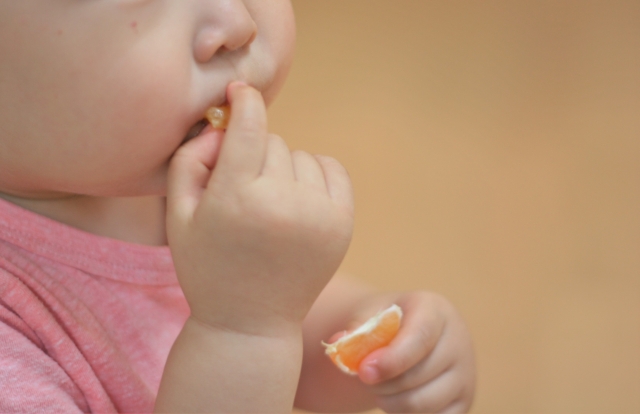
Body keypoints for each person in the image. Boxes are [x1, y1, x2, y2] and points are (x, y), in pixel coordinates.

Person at [0, 1, 475, 412]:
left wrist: (370, 337)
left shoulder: (139, 172)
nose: (237, 22)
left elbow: (275, 309)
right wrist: (244, 332)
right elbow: (251, 312)